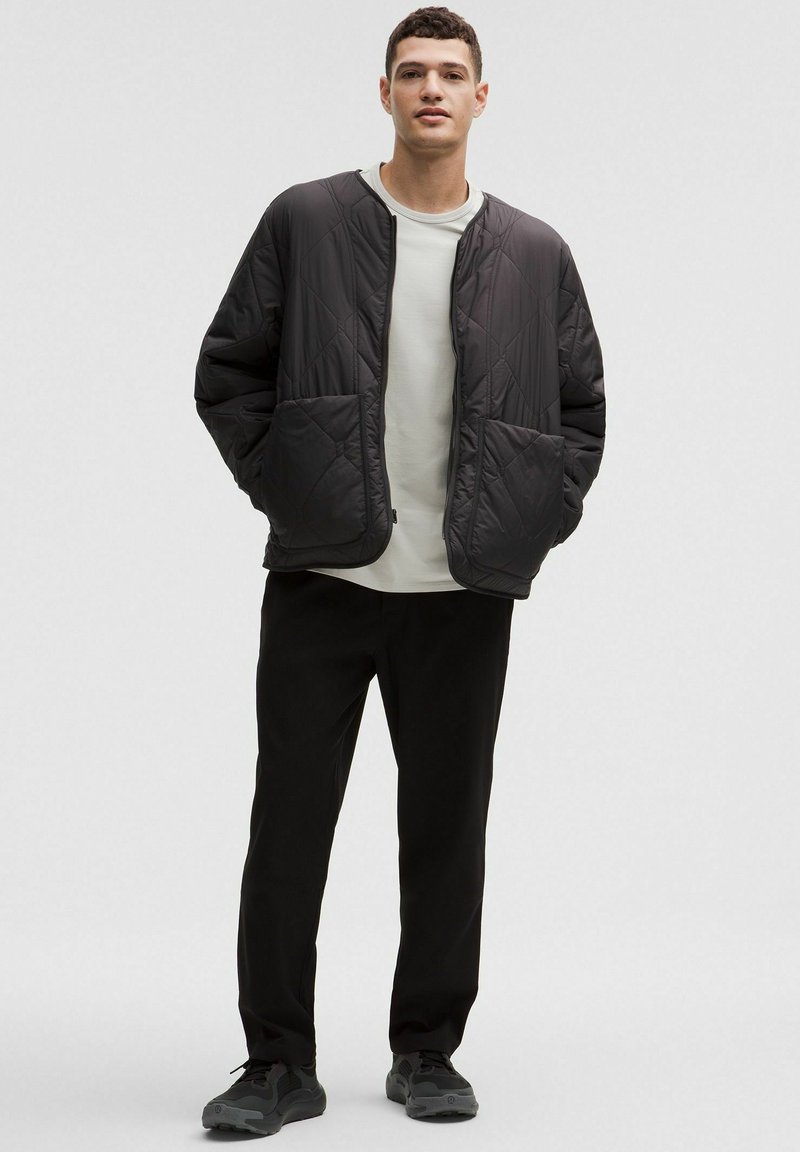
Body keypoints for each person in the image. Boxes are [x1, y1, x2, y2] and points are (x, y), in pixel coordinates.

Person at [194, 5, 605, 1137]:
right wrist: (295, 490)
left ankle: (426, 1051)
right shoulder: (308, 220)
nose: (432, 88)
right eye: (412, 72)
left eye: (451, 73)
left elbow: (579, 411)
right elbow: (229, 370)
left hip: (462, 590)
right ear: (384, 93)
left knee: (445, 833)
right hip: (324, 579)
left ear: (481, 97)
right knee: (289, 827)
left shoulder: (533, 253)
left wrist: (527, 524)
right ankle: (276, 1063)